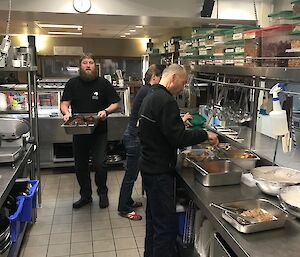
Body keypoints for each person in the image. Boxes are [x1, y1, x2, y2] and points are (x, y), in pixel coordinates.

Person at [138, 64, 219, 257]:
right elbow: (179, 139)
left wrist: (177, 124)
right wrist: (205, 135)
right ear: (173, 78)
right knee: (165, 228)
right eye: (183, 83)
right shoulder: (165, 100)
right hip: (159, 173)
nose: (183, 88)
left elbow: (160, 129)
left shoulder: (151, 95)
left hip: (149, 168)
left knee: (154, 225)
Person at [60, 53, 120, 209]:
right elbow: (64, 103)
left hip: (99, 131)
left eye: (91, 62)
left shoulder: (103, 84)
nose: (88, 65)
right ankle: (85, 196)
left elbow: (115, 104)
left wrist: (106, 111)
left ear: (95, 66)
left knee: (100, 164)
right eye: (85, 62)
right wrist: (66, 113)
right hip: (79, 131)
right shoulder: (72, 84)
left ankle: (102, 193)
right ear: (80, 66)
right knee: (80, 166)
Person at [117, 64, 164, 221]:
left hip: (133, 136)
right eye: (162, 78)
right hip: (134, 138)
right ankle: (123, 208)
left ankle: (127, 201)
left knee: (132, 173)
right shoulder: (148, 92)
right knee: (131, 175)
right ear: (155, 77)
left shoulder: (145, 90)